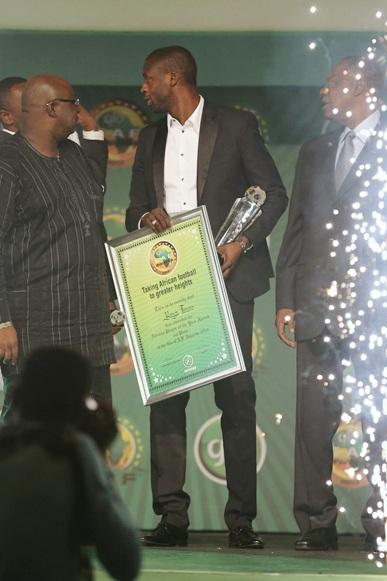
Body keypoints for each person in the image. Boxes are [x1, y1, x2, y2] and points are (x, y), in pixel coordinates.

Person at [126, 46, 287, 549]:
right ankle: (172, 517)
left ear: (172, 77)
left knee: (236, 399)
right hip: (170, 283)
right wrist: (143, 218)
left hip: (227, 276)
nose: (142, 88)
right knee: (168, 400)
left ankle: (242, 521)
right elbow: (134, 206)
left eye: (148, 78)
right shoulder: (150, 136)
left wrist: (240, 242)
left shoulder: (235, 125)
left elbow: (273, 193)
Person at [275, 57, 387, 551]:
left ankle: (383, 523)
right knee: (314, 419)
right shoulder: (316, 150)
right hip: (314, 307)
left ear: (365, 86)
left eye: (336, 82)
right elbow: (298, 230)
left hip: (379, 311)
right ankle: (316, 523)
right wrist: (285, 299)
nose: (325, 89)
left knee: (383, 420)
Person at [0, 75, 116, 419]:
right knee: (30, 438)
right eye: (72, 103)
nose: (78, 111)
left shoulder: (75, 157)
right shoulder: (0, 166)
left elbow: (93, 230)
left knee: (90, 432)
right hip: (35, 331)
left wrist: (107, 295)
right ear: (52, 108)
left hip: (88, 328)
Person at [0, 347, 141, 581]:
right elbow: (126, 562)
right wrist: (97, 455)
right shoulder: (73, 455)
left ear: (19, 392)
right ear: (77, 403)